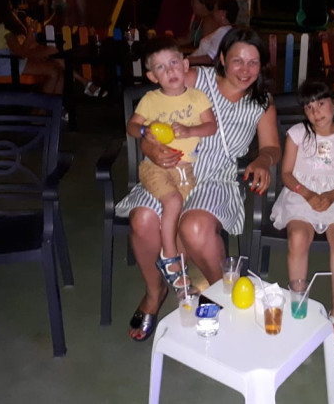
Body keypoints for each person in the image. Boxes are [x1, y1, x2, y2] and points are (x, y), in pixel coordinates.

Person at [117, 27, 281, 341]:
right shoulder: (196, 78)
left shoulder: (261, 103)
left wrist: (263, 160)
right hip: (170, 170)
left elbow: (272, 146)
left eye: (253, 62)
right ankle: (154, 291)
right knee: (143, 218)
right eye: (237, 60)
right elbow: (153, 111)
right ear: (222, 59)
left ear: (262, 65)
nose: (245, 69)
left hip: (217, 177)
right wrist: (149, 145)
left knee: (194, 226)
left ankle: (223, 295)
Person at [270, 78, 334, 365]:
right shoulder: (298, 133)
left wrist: (331, 195)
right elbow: (287, 173)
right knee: (298, 237)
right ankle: (298, 308)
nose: (315, 113)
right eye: (309, 107)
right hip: (301, 193)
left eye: (321, 104)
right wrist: (308, 194)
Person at [126, 37, 218, 297]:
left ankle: (180, 278)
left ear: (185, 65)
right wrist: (143, 131)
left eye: (174, 63)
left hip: (185, 170)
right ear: (152, 76)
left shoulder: (197, 97)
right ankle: (169, 257)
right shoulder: (151, 99)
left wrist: (189, 130)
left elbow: (211, 126)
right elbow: (132, 126)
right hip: (155, 168)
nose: (170, 71)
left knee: (181, 219)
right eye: (161, 68)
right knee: (173, 201)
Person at [0, 0, 106, 100]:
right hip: (4, 63)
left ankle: (62, 103)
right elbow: (20, 52)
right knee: (54, 69)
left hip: (3, 60)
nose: (12, 5)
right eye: (9, 2)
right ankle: (44, 109)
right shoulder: (1, 22)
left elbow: (21, 46)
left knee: (54, 58)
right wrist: (30, 31)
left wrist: (30, 35)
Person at [187, 0, 238, 66]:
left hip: (197, 67)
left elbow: (210, 58)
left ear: (223, 14)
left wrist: (186, 60)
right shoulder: (227, 30)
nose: (213, 13)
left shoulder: (223, 31)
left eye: (215, 10)